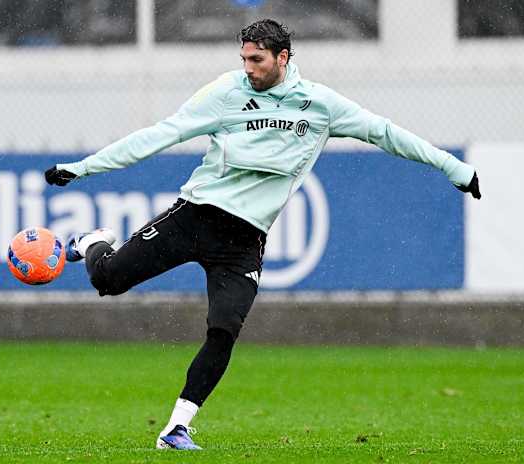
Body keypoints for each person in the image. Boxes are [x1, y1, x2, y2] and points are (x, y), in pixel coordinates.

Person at [44, 19, 481, 450]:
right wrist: (82, 168)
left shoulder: (319, 105)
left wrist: (454, 168)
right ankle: (91, 241)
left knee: (224, 330)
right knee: (107, 280)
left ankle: (176, 428)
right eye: (244, 59)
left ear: (283, 57)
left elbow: (386, 133)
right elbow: (160, 135)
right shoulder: (225, 93)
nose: (248, 68)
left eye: (257, 59)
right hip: (194, 218)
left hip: (243, 243)